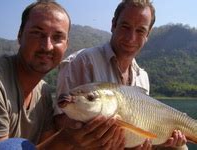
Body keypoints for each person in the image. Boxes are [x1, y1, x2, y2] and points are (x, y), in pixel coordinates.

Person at [56, 0, 188, 149]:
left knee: (180, 147)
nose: (131, 38)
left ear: (148, 35)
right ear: (113, 24)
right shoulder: (82, 62)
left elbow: (141, 137)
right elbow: (59, 120)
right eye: (125, 27)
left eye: (140, 31)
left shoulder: (142, 77)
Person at [0, 1, 125, 150]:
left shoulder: (43, 92)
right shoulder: (0, 83)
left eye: (57, 37)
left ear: (66, 45)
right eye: (37, 33)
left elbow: (47, 144)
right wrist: (66, 138)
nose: (47, 46)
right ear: (19, 35)